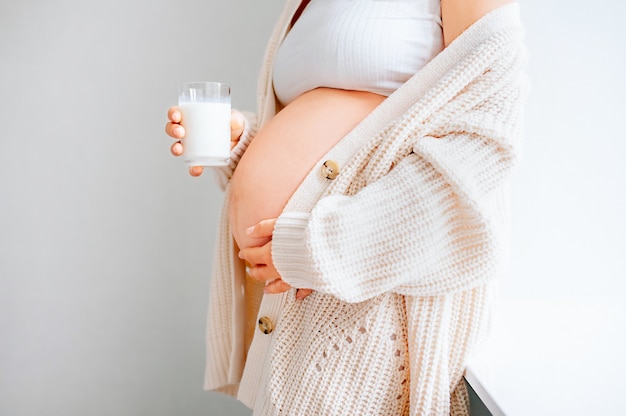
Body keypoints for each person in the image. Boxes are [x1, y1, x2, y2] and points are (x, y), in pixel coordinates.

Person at [165, 0, 527, 414]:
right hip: (297, 301)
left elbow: (482, 143)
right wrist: (245, 143)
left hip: (371, 298)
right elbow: (329, 139)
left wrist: (319, 248)